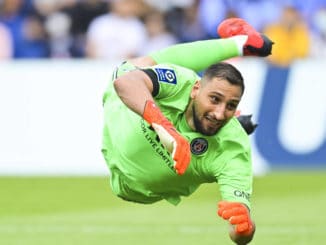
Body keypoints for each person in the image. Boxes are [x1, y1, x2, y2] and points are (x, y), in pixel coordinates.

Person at [101, 18, 273, 244]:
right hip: (121, 103)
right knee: (143, 64)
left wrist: (245, 229)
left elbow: (239, 232)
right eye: (214, 99)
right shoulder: (180, 83)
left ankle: (242, 44)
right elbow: (126, 83)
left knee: (218, 128)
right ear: (195, 90)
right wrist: (166, 129)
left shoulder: (233, 149)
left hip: (133, 187)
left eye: (230, 106)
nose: (220, 113)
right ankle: (241, 43)